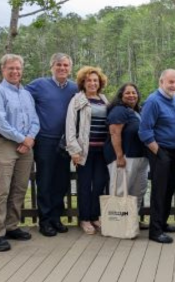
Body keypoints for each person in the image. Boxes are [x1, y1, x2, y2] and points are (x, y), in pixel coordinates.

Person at [0, 54, 40, 251]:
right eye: (11, 68)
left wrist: (30, 139)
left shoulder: (26, 94)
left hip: (25, 146)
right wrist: (22, 138)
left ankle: (12, 226)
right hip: (1, 143)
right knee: (1, 190)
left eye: (18, 68)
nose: (15, 71)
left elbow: (35, 119)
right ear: (3, 70)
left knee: (19, 188)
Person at [25, 53, 78, 237]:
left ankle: (56, 217)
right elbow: (20, 99)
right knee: (45, 181)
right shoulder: (38, 85)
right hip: (45, 140)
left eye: (65, 65)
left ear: (70, 68)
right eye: (58, 65)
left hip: (66, 141)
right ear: (51, 67)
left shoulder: (74, 88)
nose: (62, 68)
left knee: (61, 182)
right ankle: (45, 221)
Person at [139, 69, 175, 244]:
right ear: (161, 82)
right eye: (170, 82)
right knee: (159, 191)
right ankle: (155, 231)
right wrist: (159, 153)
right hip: (160, 151)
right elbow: (144, 131)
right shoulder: (153, 101)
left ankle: (162, 223)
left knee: (169, 189)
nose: (174, 85)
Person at [66, 66, 109, 235]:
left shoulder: (104, 99)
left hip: (102, 151)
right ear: (83, 83)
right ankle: (84, 219)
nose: (92, 83)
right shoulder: (77, 100)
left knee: (99, 184)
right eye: (89, 80)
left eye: (95, 81)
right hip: (84, 150)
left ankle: (95, 215)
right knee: (84, 185)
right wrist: (74, 151)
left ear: (100, 83)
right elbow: (70, 126)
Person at [104, 83, 149, 229]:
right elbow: (115, 133)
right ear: (121, 96)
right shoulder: (119, 110)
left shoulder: (138, 111)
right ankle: (118, 226)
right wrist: (119, 156)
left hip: (140, 158)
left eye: (134, 93)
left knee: (138, 192)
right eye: (127, 93)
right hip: (124, 157)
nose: (131, 95)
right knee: (121, 191)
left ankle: (131, 221)